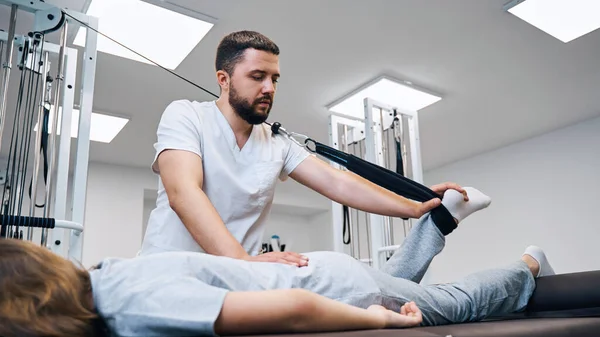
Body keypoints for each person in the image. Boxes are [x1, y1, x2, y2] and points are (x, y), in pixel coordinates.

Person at [0, 188, 555, 337]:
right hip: (329, 273)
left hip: (334, 291)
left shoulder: (124, 304)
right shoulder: (109, 271)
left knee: (454, 306)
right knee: (396, 284)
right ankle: (437, 223)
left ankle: (529, 263)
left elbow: (294, 309)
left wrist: (389, 323)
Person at [140, 30, 468, 266]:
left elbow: (338, 183)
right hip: (169, 273)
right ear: (223, 79)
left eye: (274, 78)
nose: (269, 87)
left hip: (235, 279)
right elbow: (183, 193)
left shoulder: (277, 142)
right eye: (257, 76)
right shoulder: (186, 115)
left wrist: (413, 203)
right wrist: (244, 260)